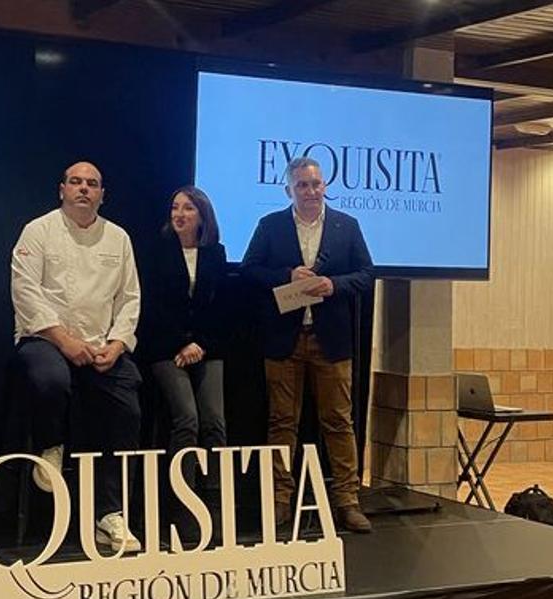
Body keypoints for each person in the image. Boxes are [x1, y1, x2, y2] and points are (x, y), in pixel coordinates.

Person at [10, 161, 142, 552]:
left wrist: (117, 343)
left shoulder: (118, 238)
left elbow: (130, 298)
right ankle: (50, 446)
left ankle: (110, 514)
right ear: (62, 189)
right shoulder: (38, 231)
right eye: (76, 182)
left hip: (101, 343)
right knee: (52, 381)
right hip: (45, 338)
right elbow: (25, 291)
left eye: (93, 184)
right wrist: (63, 339)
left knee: (128, 404)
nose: (84, 189)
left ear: (103, 194)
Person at [241, 156, 376, 534]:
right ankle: (280, 500)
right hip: (284, 338)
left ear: (325, 186)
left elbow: (367, 274)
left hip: (331, 340)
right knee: (282, 422)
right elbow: (249, 269)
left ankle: (348, 501)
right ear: (289, 190)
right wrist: (287, 275)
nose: (311, 191)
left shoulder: (346, 226)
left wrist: (335, 285)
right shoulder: (270, 225)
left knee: (338, 422)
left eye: (316, 184)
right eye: (302, 185)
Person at [137, 186, 227, 533]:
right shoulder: (156, 252)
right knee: (187, 418)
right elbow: (153, 308)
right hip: (165, 348)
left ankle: (215, 499)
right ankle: (182, 501)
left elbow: (220, 309)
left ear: (202, 216)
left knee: (215, 421)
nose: (179, 214)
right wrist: (180, 344)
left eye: (188, 208)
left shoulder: (216, 254)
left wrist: (200, 344)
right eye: (175, 207)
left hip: (206, 347)